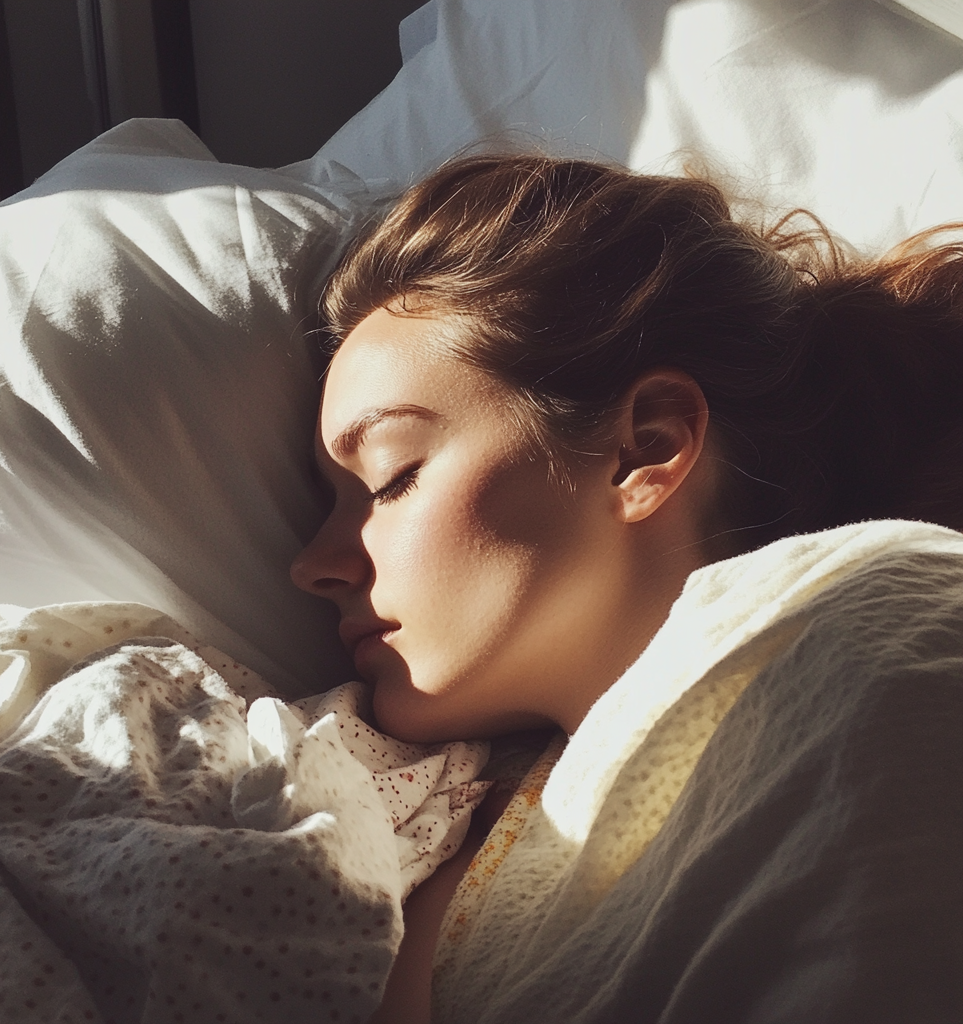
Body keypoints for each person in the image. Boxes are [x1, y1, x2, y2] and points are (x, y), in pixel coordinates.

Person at [290, 156, 963, 1023]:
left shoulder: (880, 633)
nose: (313, 564)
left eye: (389, 478)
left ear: (645, 448)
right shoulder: (437, 825)